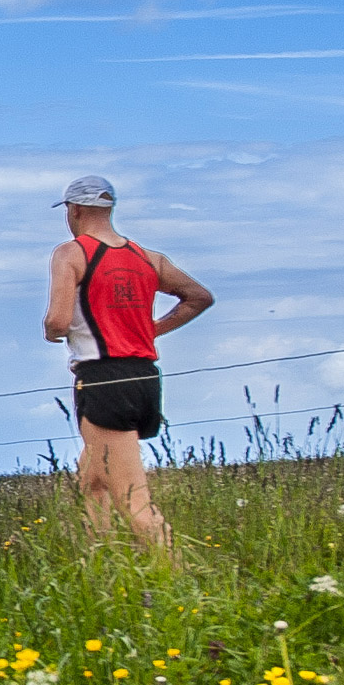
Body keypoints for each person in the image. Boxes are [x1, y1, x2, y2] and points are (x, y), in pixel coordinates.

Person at [40, 174, 213, 555]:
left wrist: (53, 332)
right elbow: (197, 297)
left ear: (76, 210)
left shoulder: (71, 253)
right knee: (92, 484)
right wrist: (152, 330)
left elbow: (57, 320)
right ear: (108, 208)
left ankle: (176, 583)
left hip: (101, 379)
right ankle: (101, 566)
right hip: (145, 379)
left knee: (134, 503)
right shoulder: (149, 259)